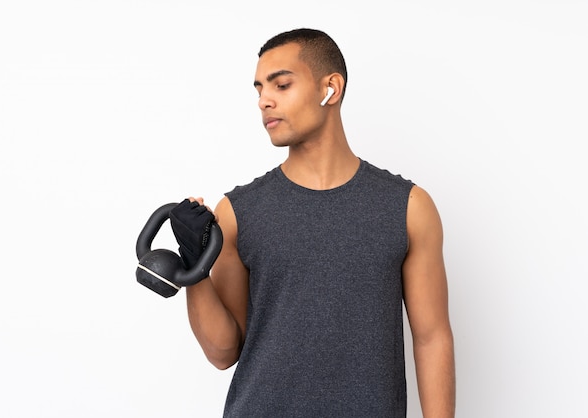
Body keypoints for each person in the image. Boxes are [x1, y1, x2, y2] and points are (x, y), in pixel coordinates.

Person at [170, 28, 455, 417]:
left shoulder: (407, 207)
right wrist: (194, 266)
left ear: (330, 89)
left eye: (281, 85)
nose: (264, 101)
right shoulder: (237, 212)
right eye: (258, 90)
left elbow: (432, 338)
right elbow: (223, 352)